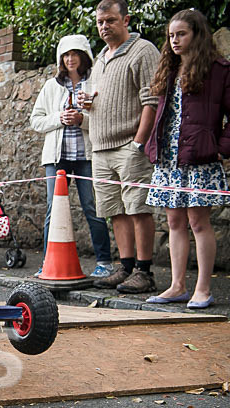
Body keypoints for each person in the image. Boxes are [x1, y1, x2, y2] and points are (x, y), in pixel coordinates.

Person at [143, 9, 230, 309]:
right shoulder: (169, 68)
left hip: (200, 157)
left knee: (198, 222)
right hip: (169, 157)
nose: (174, 41)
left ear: (197, 34)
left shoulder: (219, 69)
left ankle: (203, 289)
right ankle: (177, 286)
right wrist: (151, 145)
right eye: (171, 35)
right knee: (174, 221)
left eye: (181, 34)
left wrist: (220, 148)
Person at [83, 0, 160, 294]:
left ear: (126, 20)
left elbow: (151, 101)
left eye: (111, 20)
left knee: (138, 208)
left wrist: (139, 143)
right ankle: (125, 268)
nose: (104, 26)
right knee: (115, 211)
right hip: (101, 148)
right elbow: (98, 98)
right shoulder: (100, 58)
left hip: (130, 144)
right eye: (101, 22)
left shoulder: (144, 51)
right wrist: (88, 105)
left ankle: (144, 271)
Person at [30, 34, 113, 278]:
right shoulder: (51, 86)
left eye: (75, 54)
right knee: (52, 210)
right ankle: (47, 263)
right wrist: (59, 118)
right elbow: (36, 120)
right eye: (65, 55)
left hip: (87, 157)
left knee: (92, 207)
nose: (70, 59)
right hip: (56, 158)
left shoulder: (96, 82)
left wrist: (82, 120)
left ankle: (105, 262)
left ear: (84, 56)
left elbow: (106, 118)